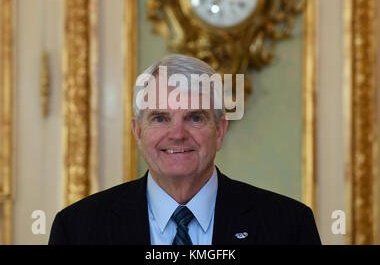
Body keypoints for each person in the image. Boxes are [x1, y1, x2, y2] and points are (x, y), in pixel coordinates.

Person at [49, 54, 321, 245]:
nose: (177, 135)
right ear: (138, 132)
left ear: (220, 131)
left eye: (195, 118)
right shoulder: (78, 229)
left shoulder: (288, 227)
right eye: (160, 118)